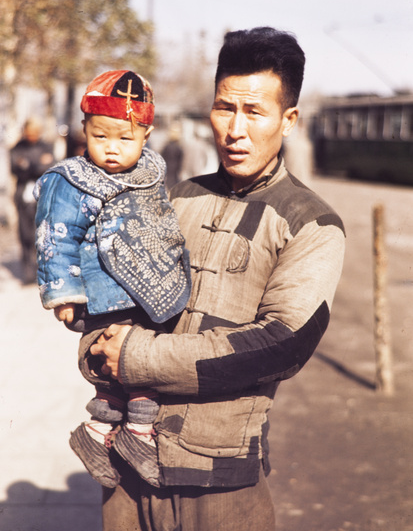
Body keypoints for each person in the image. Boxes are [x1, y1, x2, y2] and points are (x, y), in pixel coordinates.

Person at [90, 27, 346, 531]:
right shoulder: (174, 196)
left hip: (223, 485)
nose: (234, 129)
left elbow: (281, 344)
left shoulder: (310, 223)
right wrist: (94, 342)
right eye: (225, 108)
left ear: (288, 120)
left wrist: (136, 356)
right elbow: (112, 290)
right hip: (127, 473)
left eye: (254, 112)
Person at [34, 70, 191, 488]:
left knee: (138, 357)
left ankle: (99, 431)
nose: (111, 150)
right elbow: (56, 237)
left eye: (125, 139)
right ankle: (137, 434)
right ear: (84, 128)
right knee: (132, 362)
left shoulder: (149, 173)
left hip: (148, 282)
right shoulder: (71, 182)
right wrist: (64, 294)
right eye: (100, 137)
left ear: (146, 135)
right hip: (104, 289)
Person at [10, 117, 55, 284]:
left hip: (42, 194)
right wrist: (36, 165)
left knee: (43, 232)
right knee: (25, 234)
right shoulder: (17, 148)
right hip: (23, 195)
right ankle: (28, 272)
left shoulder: (46, 146)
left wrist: (29, 165)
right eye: (29, 133)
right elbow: (16, 169)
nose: (32, 136)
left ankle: (43, 271)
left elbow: (50, 166)